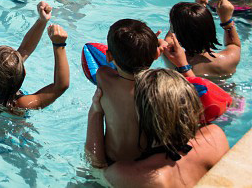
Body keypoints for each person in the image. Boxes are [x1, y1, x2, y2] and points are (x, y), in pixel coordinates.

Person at [87, 69, 229, 188]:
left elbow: (96, 168)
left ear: (143, 118)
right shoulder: (215, 136)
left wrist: (95, 110)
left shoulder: (134, 175)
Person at [91, 18, 161, 163]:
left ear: (109, 56)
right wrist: (148, 49)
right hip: (145, 163)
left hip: (112, 160)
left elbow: (108, 67)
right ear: (157, 54)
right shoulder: (161, 88)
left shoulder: (104, 77)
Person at [0, 1, 70, 113]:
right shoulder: (20, 104)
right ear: (24, 72)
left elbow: (24, 50)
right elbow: (60, 86)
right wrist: (59, 45)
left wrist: (42, 20)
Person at [166, 0, 241, 78]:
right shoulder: (227, 60)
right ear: (211, 28)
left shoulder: (173, 59)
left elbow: (169, 39)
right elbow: (234, 44)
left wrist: (174, 24)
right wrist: (226, 19)